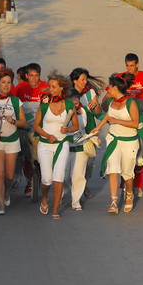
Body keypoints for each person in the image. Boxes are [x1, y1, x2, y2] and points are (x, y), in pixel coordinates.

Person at [92, 73, 139, 215]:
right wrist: (98, 127)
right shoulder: (112, 102)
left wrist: (118, 121)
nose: (108, 89)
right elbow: (108, 116)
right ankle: (113, 202)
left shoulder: (131, 103)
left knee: (127, 173)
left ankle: (129, 193)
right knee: (113, 169)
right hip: (114, 139)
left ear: (116, 88)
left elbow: (135, 123)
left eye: (110, 87)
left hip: (129, 142)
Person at [34, 71, 79, 219]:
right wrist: (47, 135)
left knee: (58, 177)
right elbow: (36, 126)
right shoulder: (44, 104)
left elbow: (75, 127)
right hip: (45, 145)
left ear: (61, 88)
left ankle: (55, 211)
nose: (50, 89)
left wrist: (68, 129)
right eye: (49, 86)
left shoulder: (69, 105)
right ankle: (45, 197)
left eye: (53, 87)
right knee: (47, 179)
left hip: (62, 144)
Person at [116, 53, 143, 197]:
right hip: (125, 115)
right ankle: (124, 184)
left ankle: (138, 185)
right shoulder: (121, 77)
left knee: (141, 154)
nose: (129, 68)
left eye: (132, 66)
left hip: (141, 116)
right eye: (127, 65)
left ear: (137, 65)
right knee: (123, 153)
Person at [0, 68, 26, 215]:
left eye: (9, 82)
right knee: (0, 172)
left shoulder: (16, 101)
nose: (6, 85)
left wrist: (14, 121)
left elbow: (23, 122)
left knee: (9, 176)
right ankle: (1, 205)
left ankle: (5, 192)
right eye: (3, 82)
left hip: (12, 141)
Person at [69, 67, 105, 199]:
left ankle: (84, 184)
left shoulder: (90, 93)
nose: (85, 82)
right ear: (75, 81)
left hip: (89, 132)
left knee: (89, 164)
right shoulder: (67, 94)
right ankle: (71, 189)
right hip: (71, 133)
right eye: (82, 79)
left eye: (86, 79)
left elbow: (99, 114)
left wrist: (95, 107)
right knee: (70, 164)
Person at [15, 63, 49, 196]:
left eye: (36, 76)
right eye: (31, 76)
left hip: (41, 127)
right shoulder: (20, 89)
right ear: (26, 76)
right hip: (26, 127)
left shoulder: (45, 88)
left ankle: (43, 178)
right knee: (26, 155)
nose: (34, 79)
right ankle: (29, 181)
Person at [64, 89, 98, 211]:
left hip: (81, 147)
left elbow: (91, 129)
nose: (76, 107)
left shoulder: (85, 112)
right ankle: (64, 191)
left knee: (78, 175)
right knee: (65, 176)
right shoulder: (60, 112)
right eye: (73, 104)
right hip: (65, 146)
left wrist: (94, 138)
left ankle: (76, 201)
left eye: (77, 103)